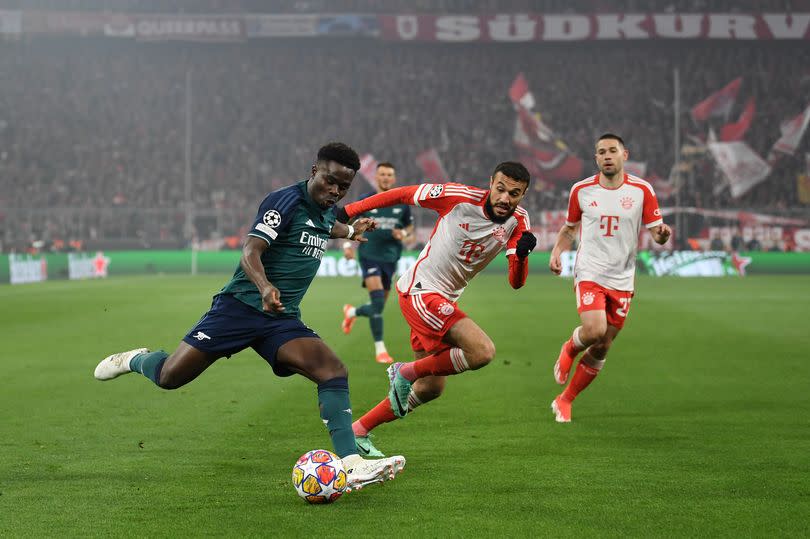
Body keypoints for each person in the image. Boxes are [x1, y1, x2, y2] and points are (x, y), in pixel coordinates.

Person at [93, 142, 405, 491]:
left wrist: (350, 231)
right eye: (330, 181)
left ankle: (352, 464)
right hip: (239, 308)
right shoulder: (283, 201)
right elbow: (251, 250)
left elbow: (326, 225)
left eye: (343, 187)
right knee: (170, 377)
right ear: (314, 171)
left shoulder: (327, 210)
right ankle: (136, 359)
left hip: (280, 319)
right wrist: (264, 287)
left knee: (332, 371)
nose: (334, 191)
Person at [335, 161, 537, 457]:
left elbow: (516, 282)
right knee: (482, 351)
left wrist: (521, 255)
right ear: (491, 182)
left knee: (430, 388)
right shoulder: (457, 196)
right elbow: (403, 194)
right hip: (421, 291)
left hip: (442, 301)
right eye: (501, 189)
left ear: (524, 194)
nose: (505, 198)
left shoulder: (519, 221)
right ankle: (404, 371)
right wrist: (349, 211)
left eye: (515, 193)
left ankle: (359, 430)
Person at [549, 133, 671, 423]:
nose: (607, 156)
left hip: (623, 278)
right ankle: (570, 346)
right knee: (593, 331)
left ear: (624, 155)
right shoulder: (582, 190)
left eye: (612, 151)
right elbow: (569, 229)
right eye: (601, 152)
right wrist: (557, 251)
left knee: (603, 345)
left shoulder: (642, 190)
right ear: (596, 158)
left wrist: (662, 235)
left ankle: (565, 399)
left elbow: (656, 230)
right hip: (590, 271)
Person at [341, 162, 414, 364]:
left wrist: (404, 234)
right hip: (369, 255)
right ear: (376, 177)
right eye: (382, 174)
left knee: (377, 307)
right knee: (378, 303)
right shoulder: (367, 200)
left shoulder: (402, 203)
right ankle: (380, 349)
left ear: (394, 178)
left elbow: (410, 231)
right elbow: (348, 222)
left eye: (389, 175)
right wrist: (347, 247)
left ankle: (352, 312)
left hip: (390, 258)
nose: (385, 178)